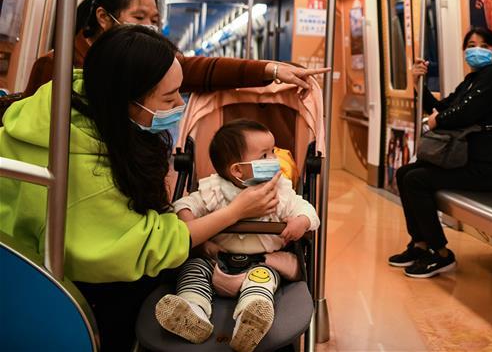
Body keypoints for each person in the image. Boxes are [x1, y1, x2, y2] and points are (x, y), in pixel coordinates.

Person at [0, 26, 286, 349]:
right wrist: (235, 212)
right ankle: (192, 309)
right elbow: (144, 245)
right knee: (184, 273)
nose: (179, 104)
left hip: (16, 266)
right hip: (42, 287)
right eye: (169, 97)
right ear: (127, 98)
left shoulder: (75, 100)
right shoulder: (81, 168)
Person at [155, 119, 319, 352]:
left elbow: (307, 209)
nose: (275, 159)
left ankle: (251, 318)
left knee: (262, 281)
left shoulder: (279, 191)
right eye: (265, 155)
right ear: (238, 170)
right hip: (214, 260)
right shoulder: (214, 189)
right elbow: (183, 204)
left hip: (260, 262)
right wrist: (193, 228)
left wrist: (301, 221)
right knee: (193, 270)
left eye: (273, 151)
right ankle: (192, 311)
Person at [24, 0, 327, 97]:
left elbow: (202, 69)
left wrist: (271, 69)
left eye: (154, 21)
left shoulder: (146, 62)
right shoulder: (55, 66)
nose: (149, 27)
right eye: (139, 18)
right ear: (104, 18)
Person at [388, 26, 492, 278]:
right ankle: (420, 244)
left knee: (416, 179)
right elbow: (440, 107)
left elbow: (463, 113)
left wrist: (438, 120)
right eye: (471, 46)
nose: (476, 50)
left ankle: (441, 253)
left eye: (483, 46)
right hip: (464, 160)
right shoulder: (471, 81)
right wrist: (418, 83)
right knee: (404, 173)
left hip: (485, 167)